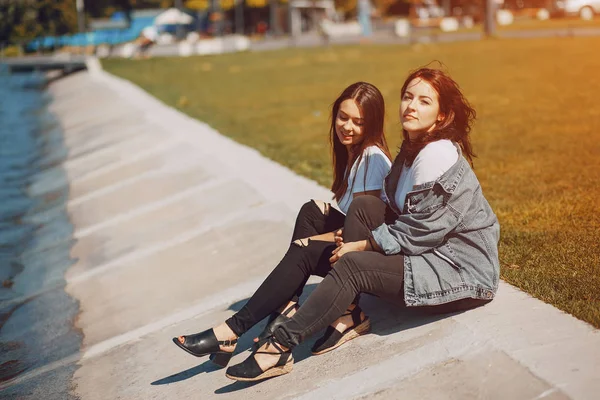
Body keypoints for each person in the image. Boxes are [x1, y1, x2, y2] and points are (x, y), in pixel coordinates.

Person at [216, 66, 501, 382]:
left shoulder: (436, 155)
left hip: (459, 272)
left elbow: (420, 233)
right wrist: (346, 236)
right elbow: (394, 211)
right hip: (430, 253)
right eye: (408, 97)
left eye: (424, 101)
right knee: (363, 207)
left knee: (353, 266)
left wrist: (360, 244)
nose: (411, 106)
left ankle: (279, 346)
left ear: (441, 115)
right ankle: (291, 318)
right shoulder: (412, 149)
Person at [172, 82, 393, 371]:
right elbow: (350, 223)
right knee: (312, 211)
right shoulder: (353, 154)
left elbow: (364, 228)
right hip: (356, 246)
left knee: (302, 251)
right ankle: (286, 306)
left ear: (372, 124)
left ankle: (231, 331)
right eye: (343, 117)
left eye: (358, 122)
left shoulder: (372, 159)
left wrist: (309, 244)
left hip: (371, 259)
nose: (347, 126)